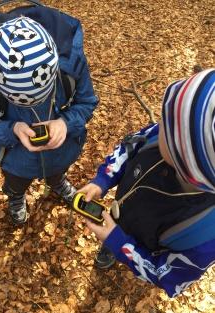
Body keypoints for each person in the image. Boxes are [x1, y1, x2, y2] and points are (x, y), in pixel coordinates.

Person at [79, 69, 215, 297]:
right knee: (111, 228)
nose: (159, 123)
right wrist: (102, 180)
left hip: (145, 242)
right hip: (121, 210)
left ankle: (113, 246)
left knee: (115, 238)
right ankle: (110, 244)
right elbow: (128, 147)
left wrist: (122, 246)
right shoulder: (165, 133)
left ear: (186, 162)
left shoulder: (204, 235)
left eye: (167, 124)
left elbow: (167, 274)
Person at [0, 13, 98, 225]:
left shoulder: (71, 62)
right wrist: (13, 129)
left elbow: (86, 102)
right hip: (16, 160)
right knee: (16, 183)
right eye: (21, 101)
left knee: (57, 172)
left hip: (62, 151)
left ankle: (57, 182)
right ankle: (16, 196)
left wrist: (65, 123)